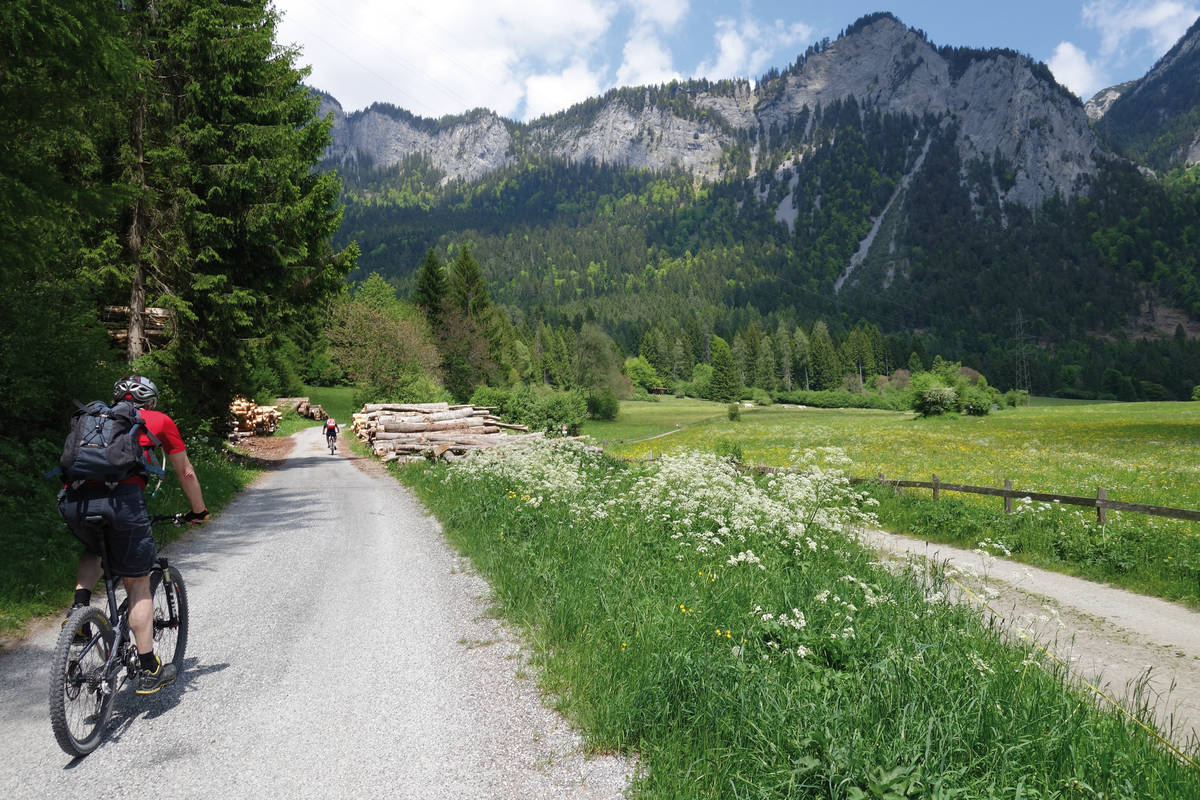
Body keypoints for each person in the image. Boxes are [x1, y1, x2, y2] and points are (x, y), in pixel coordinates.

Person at [58, 375, 208, 695]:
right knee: (138, 584)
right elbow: (186, 472)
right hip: (122, 503)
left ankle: (79, 612)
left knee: (94, 548)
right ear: (150, 401)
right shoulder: (158, 420)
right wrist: (199, 510)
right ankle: (148, 666)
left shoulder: (97, 420)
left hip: (74, 502)